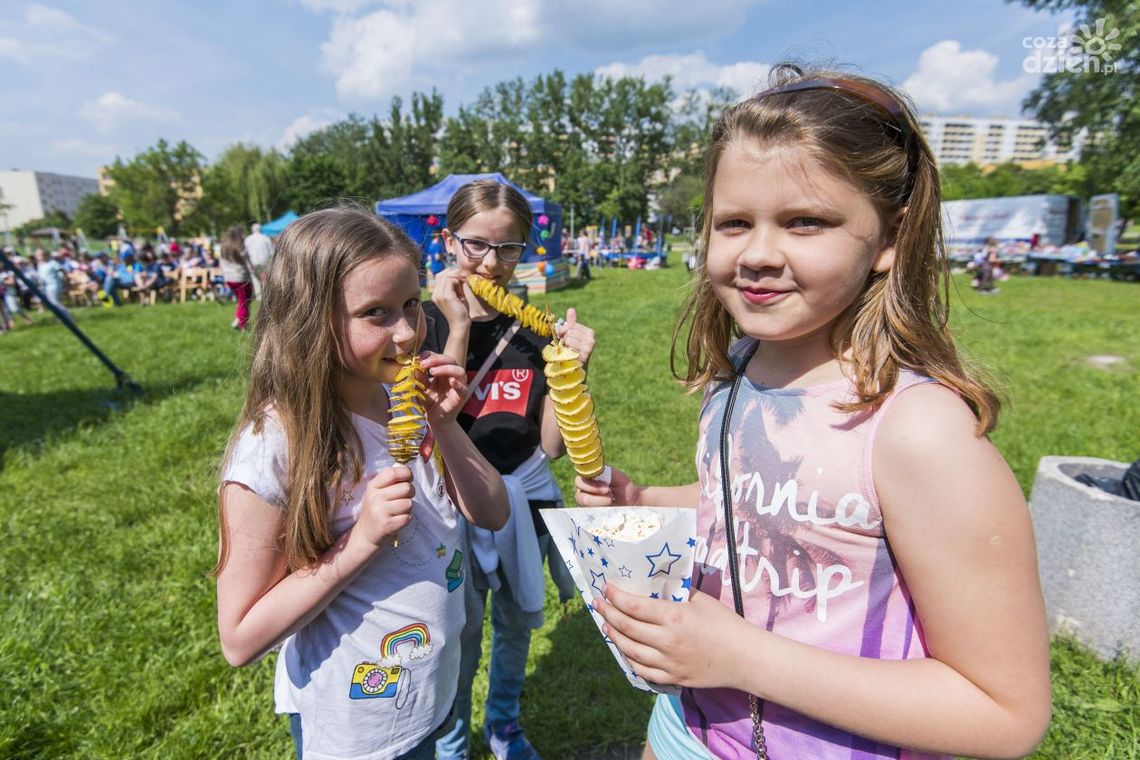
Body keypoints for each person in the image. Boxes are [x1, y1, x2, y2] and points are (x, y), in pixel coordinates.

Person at [576, 66, 1051, 760]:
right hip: (690, 729)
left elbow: (1005, 713)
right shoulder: (737, 371)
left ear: (889, 239)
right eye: (734, 223)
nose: (759, 253)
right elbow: (753, 502)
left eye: (806, 222)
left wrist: (743, 659)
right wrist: (643, 498)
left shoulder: (918, 433)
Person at [215, 206, 509, 760]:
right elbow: (239, 637)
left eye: (410, 305)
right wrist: (361, 541)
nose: (406, 332)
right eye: (375, 313)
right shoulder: (275, 447)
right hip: (356, 731)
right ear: (310, 321)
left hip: (427, 701)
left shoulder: (406, 399)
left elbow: (491, 513)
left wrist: (445, 423)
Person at [425, 179, 596, 760]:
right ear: (448, 242)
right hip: (454, 498)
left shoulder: (535, 330)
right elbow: (430, 423)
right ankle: (451, 743)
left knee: (517, 624)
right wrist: (460, 326)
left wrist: (572, 372)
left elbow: (550, 446)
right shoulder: (419, 323)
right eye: (476, 246)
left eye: (509, 249)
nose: (491, 265)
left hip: (523, 487)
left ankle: (502, 724)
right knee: (460, 633)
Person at [219, 225, 257, 330]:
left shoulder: (224, 247)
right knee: (245, 302)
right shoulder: (240, 246)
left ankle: (237, 321)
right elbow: (248, 263)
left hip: (229, 279)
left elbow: (221, 263)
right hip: (241, 278)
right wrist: (256, 275)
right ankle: (243, 326)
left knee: (240, 301)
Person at [244, 222, 275, 287]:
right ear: (260, 229)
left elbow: (245, 253)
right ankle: (265, 295)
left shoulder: (247, 239)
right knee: (265, 281)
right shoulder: (266, 238)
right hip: (264, 263)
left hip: (252, 263)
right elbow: (272, 252)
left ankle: (259, 296)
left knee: (256, 282)